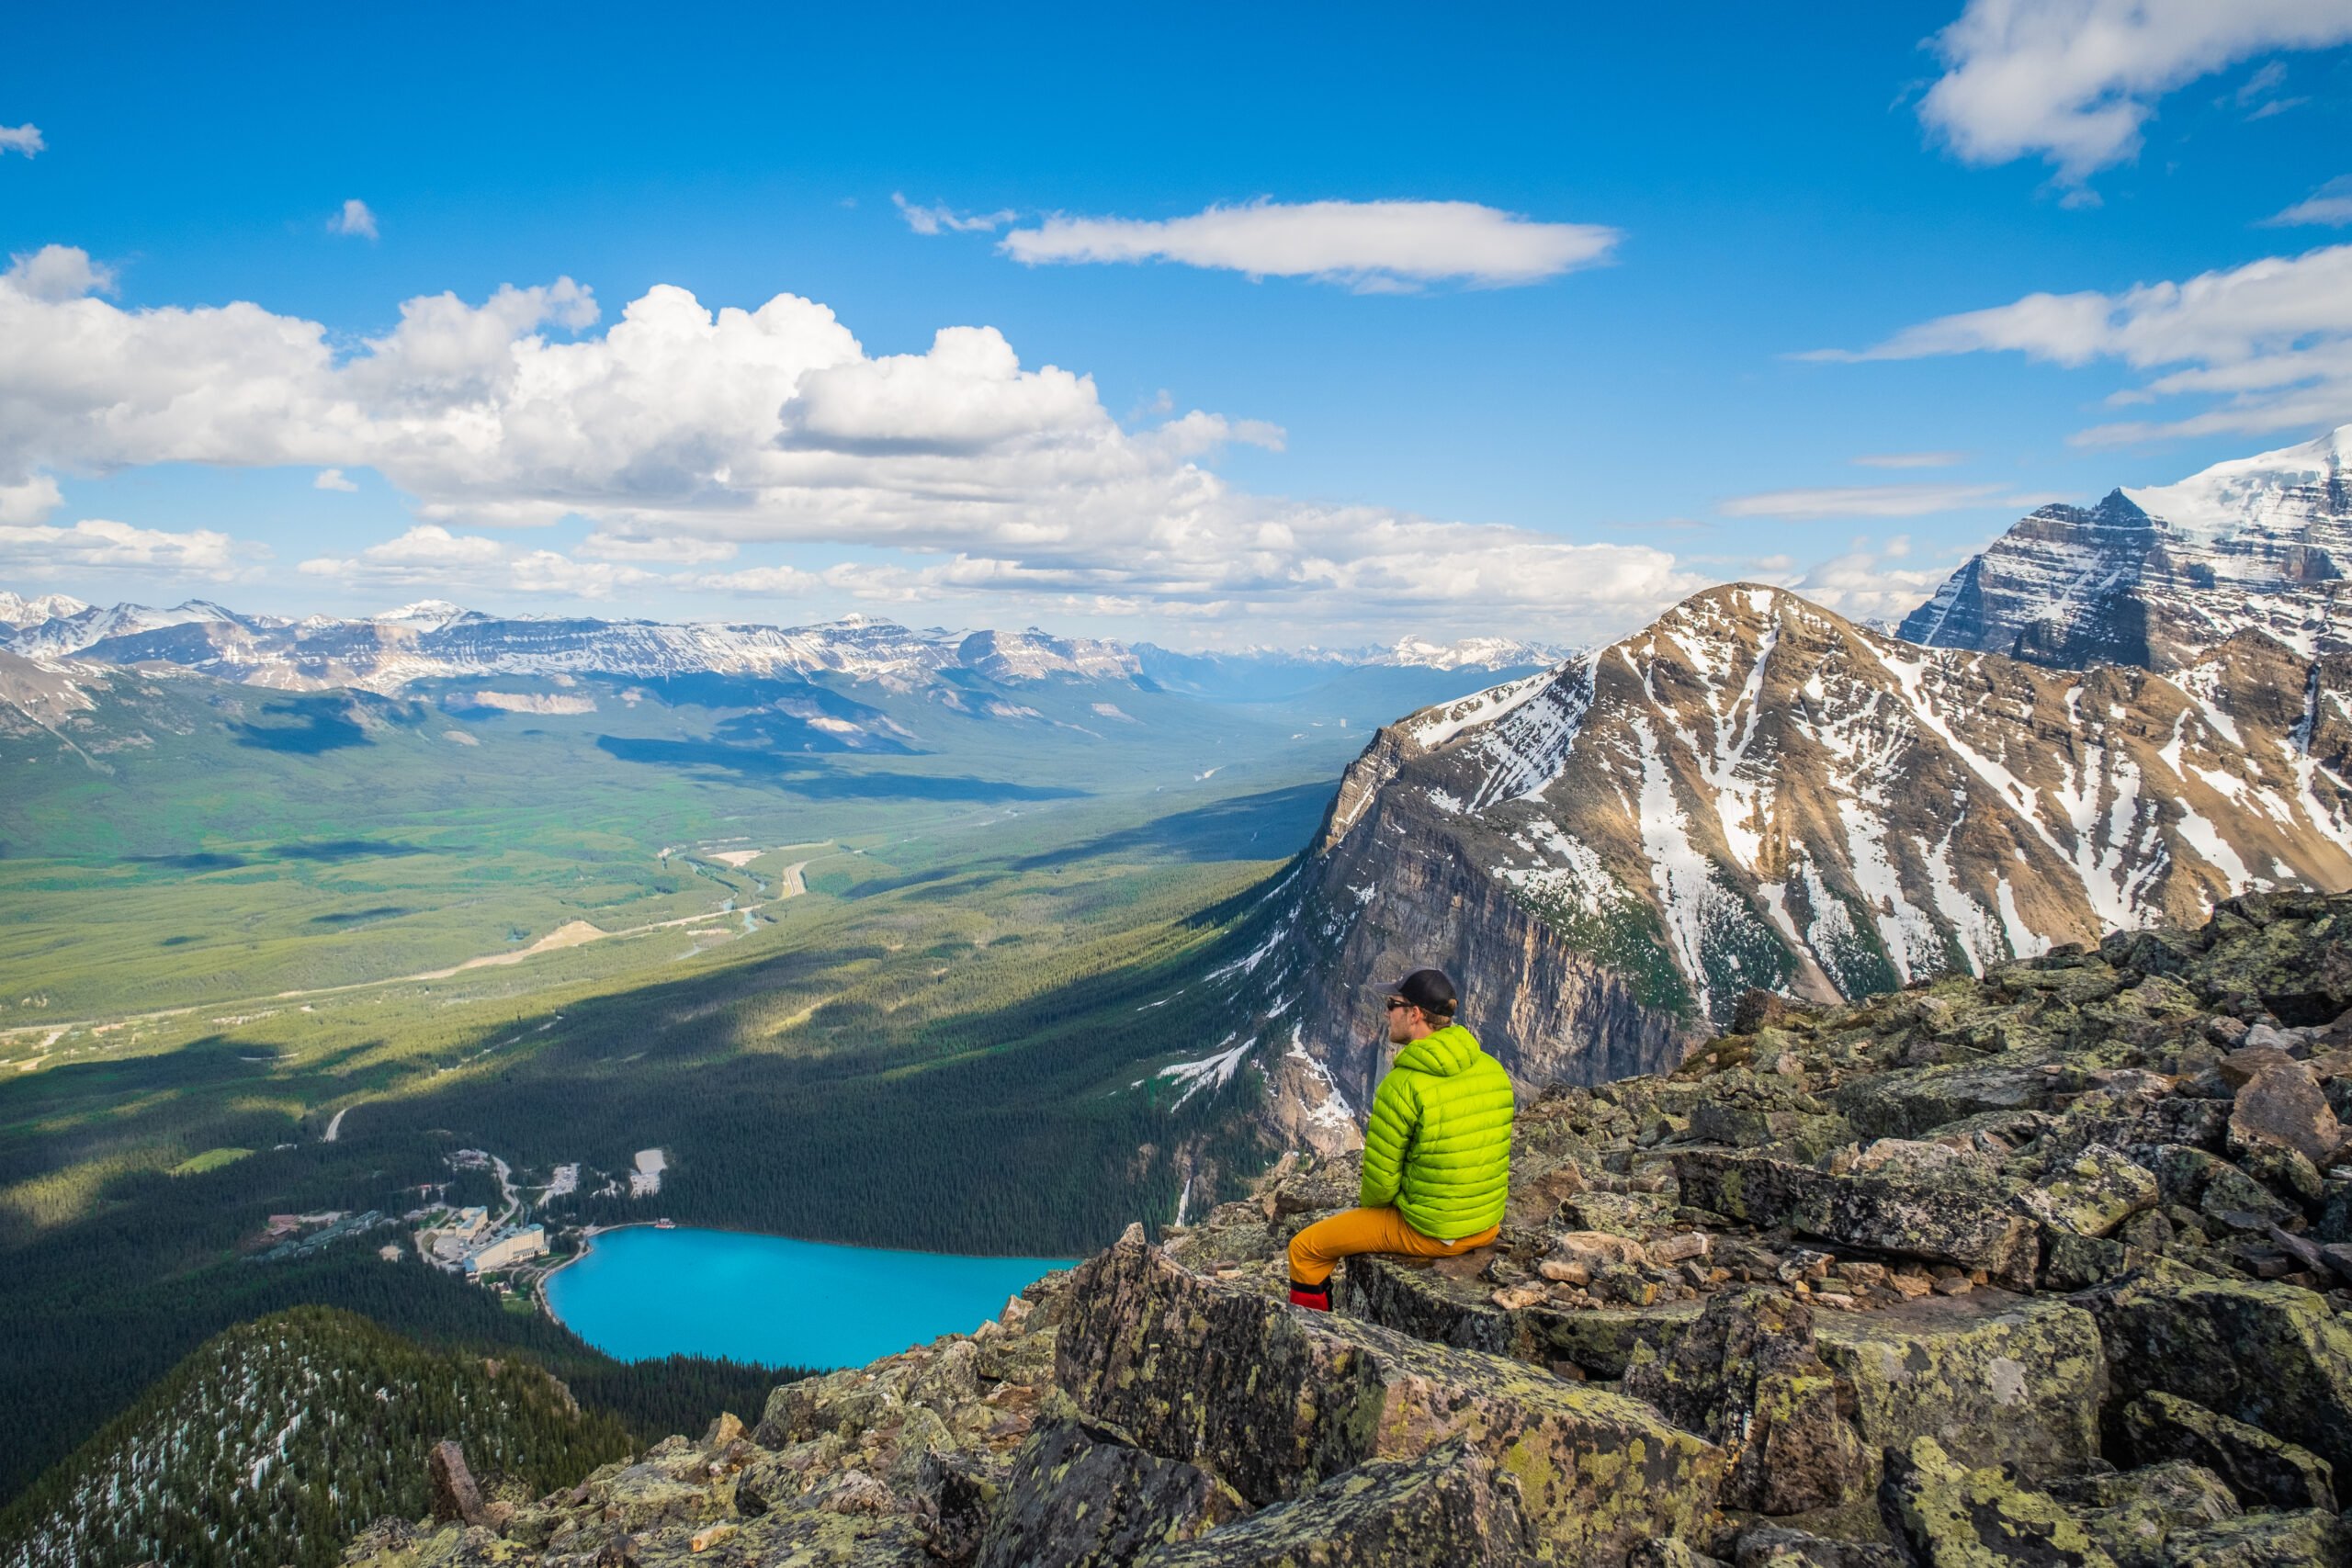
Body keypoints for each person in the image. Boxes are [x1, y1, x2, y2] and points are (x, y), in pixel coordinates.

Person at [1285, 967, 1514, 1311]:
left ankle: (1313, 1333)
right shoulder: (1492, 1069)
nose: (1386, 1012)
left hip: (1434, 1233)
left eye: (1392, 1004)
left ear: (1415, 1014)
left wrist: (1375, 1218)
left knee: (1304, 1250)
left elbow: (1378, 1189)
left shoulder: (1402, 1086)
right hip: (1486, 1225)